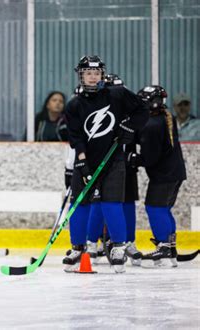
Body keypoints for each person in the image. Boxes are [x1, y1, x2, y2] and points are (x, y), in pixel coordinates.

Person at [64, 55, 149, 273]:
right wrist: (81, 162)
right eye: (88, 73)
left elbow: (142, 110)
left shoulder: (117, 94)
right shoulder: (74, 105)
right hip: (86, 162)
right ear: (81, 75)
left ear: (102, 75)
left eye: (97, 73)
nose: (93, 77)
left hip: (113, 160)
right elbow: (75, 137)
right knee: (79, 204)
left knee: (111, 204)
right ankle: (78, 247)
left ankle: (118, 247)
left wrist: (129, 128)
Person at [84, 74, 143, 266]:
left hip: (125, 164)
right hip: (103, 163)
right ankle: (92, 242)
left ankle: (127, 242)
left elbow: (143, 133)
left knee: (126, 203)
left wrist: (135, 155)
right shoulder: (97, 110)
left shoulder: (130, 111)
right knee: (100, 202)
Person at [128, 85, 186, 267]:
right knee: (163, 209)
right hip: (174, 172)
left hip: (164, 174)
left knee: (155, 208)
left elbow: (150, 157)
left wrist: (134, 158)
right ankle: (170, 249)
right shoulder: (164, 117)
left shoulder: (152, 124)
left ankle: (164, 247)